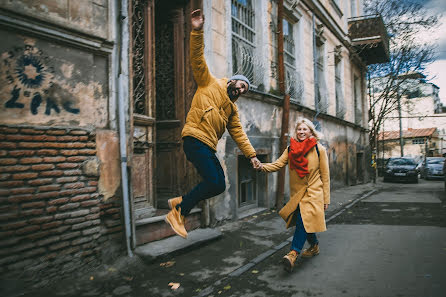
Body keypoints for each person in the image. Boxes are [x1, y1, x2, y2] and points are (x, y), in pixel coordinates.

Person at [165, 9, 262, 238]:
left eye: (243, 90)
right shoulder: (209, 83)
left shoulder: (231, 109)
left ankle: (182, 201)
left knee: (218, 185)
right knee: (214, 181)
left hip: (206, 145)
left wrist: (252, 156)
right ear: (233, 79)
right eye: (240, 85)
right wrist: (197, 31)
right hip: (194, 138)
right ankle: (178, 211)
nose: (240, 90)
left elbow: (239, 134)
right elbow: (197, 58)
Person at [261, 118, 330, 272]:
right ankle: (314, 245)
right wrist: (261, 166)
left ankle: (293, 253)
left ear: (311, 131)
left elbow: (325, 176)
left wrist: (326, 199)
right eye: (299, 129)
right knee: (307, 222)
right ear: (296, 132)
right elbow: (278, 164)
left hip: (313, 192)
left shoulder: (319, 149)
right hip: (298, 194)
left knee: (303, 221)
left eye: (305, 129)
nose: (301, 132)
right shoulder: (290, 149)